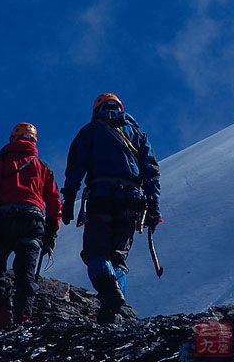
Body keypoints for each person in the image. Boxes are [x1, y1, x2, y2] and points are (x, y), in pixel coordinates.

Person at [61, 93, 161, 324]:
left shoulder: (90, 131)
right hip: (133, 200)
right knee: (118, 257)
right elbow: (151, 170)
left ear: (97, 109)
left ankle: (110, 294)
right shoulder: (138, 134)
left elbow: (76, 166)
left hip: (102, 196)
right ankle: (115, 305)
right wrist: (154, 203)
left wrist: (68, 199)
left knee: (96, 251)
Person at [0, 122, 62, 328]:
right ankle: (23, 320)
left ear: (13, 138)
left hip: (2, 221)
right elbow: (55, 202)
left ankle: (3, 318)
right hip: (32, 222)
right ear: (34, 141)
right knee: (25, 273)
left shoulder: (0, 161)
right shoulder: (42, 167)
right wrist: (51, 233)